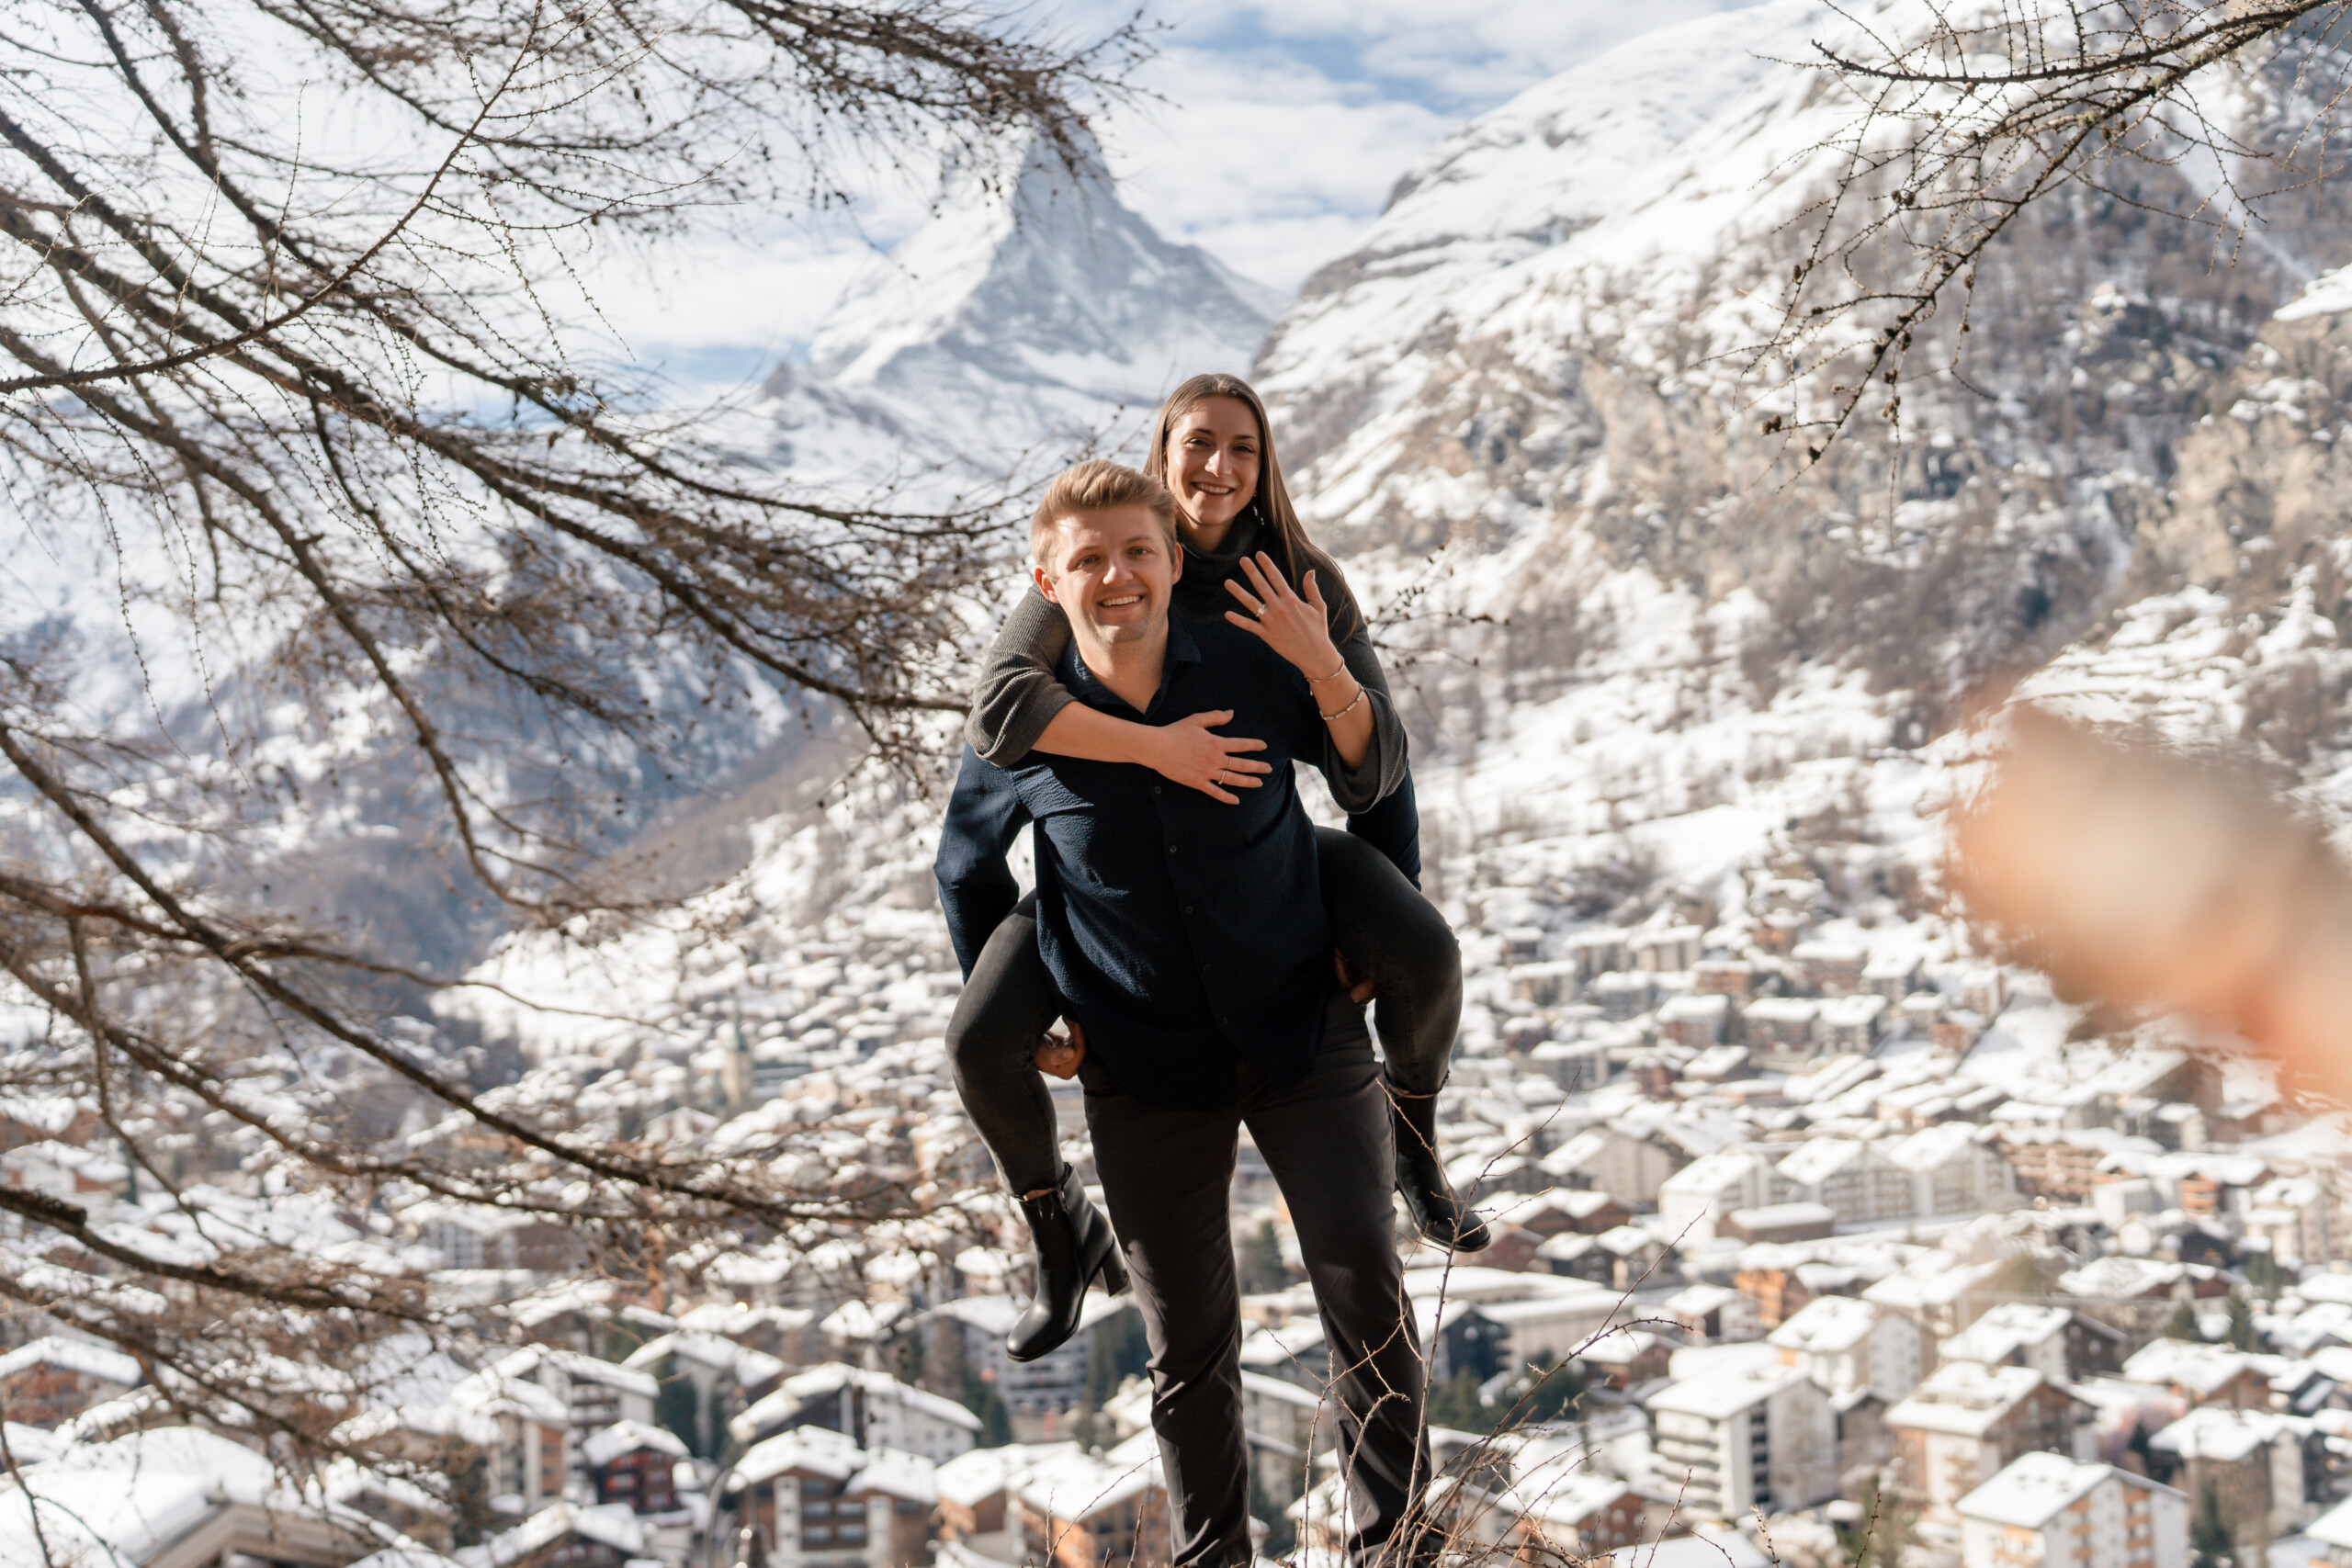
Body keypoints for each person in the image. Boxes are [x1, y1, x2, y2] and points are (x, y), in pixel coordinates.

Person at [935, 460, 1430, 1568]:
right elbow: (966, 869)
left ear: (1171, 559)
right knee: (1188, 1347)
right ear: (1046, 580)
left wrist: (1331, 679)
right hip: (1142, 1063)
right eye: (1090, 560)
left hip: (1300, 1032)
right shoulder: (1022, 730)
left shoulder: (1252, 668)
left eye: (1139, 551)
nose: (1119, 577)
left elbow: (1372, 779)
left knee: (1367, 1295)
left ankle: (1397, 1550)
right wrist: (1028, 1017)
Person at [948, 374, 1483, 1365]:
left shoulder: (1297, 583)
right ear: (1162, 458)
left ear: (1267, 464)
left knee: (1423, 952)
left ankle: (1415, 1141)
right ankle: (1059, 1231)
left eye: (1243, 449)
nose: (1219, 469)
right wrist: (1151, 747)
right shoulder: (1095, 566)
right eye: (1198, 444)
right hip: (1102, 876)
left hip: (1258, 857)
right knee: (979, 1041)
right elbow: (997, 719)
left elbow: (1376, 771)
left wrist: (1378, 926)